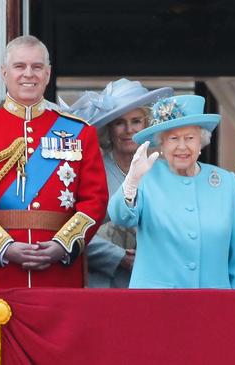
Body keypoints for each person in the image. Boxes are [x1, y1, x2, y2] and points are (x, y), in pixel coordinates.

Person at [0, 35, 108, 288]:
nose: (28, 74)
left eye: (36, 67)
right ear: (4, 73)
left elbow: (95, 199)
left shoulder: (79, 131)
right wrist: (3, 247)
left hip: (58, 273)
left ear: (47, 73)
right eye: (19, 66)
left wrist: (62, 245)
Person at [107, 95, 235, 289]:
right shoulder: (146, 176)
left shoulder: (226, 182)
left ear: (201, 142)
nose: (182, 147)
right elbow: (120, 217)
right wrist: (132, 180)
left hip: (213, 304)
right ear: (162, 143)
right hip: (156, 304)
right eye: (174, 139)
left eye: (190, 138)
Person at [63, 78, 173, 287]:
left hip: (157, 283)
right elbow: (72, 229)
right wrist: (119, 256)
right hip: (104, 286)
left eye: (136, 121)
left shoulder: (165, 172)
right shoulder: (91, 170)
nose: (128, 130)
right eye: (119, 123)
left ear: (148, 123)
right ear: (108, 129)